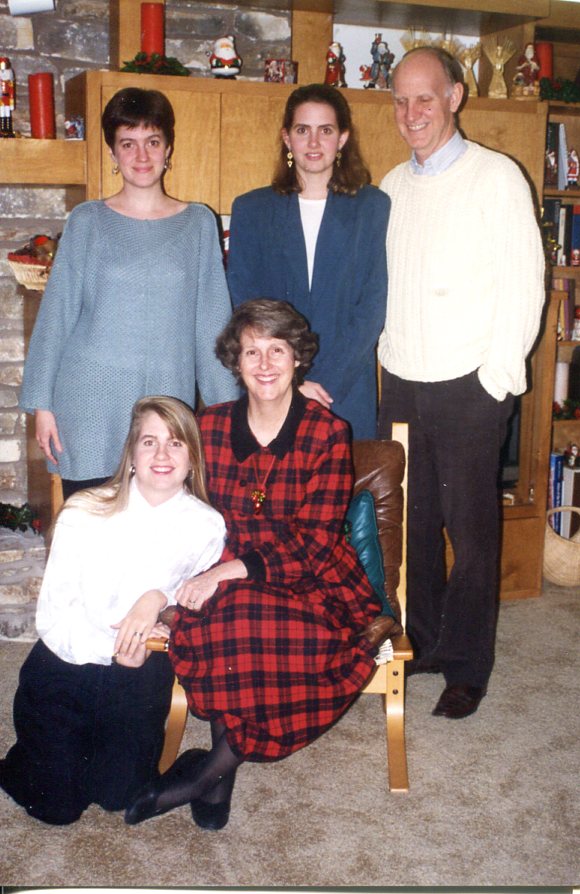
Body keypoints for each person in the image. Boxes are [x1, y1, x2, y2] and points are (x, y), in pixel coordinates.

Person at [124, 299, 398, 830]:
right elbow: (178, 501)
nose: (266, 363)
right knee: (232, 617)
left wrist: (224, 574)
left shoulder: (327, 432)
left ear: (298, 359)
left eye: (278, 350)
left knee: (248, 615)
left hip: (313, 578)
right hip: (224, 567)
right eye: (252, 351)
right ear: (236, 361)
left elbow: (316, 542)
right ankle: (217, 777)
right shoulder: (209, 426)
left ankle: (205, 775)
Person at [377, 47, 545, 719]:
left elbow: (525, 284)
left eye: (425, 97)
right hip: (404, 381)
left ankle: (469, 666)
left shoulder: (496, 177)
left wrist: (497, 379)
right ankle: (423, 641)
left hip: (470, 383)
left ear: (454, 97)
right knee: (412, 525)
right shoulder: (392, 186)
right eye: (401, 100)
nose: (412, 112)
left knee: (472, 536)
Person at [0, 396, 226, 825]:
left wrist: (157, 599)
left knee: (118, 797)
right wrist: (117, 647)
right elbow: (53, 619)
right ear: (132, 455)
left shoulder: (207, 526)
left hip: (139, 677)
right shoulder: (84, 512)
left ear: (192, 458)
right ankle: (27, 760)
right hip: (65, 669)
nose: (162, 454)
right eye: (149, 442)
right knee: (56, 809)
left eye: (176, 443)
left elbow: (196, 604)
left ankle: (185, 763)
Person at [20, 86, 237, 501]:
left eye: (152, 141)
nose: (141, 155)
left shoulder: (197, 223)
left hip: (166, 407)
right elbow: (56, 315)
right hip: (89, 405)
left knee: (160, 528)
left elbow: (212, 324)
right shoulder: (87, 221)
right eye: (128, 143)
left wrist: (228, 411)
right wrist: (42, 405)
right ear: (113, 153)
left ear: (168, 148)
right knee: (93, 525)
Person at [226, 83, 390, 439]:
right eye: (303, 130)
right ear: (287, 138)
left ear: (342, 138)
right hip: (271, 388)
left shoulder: (373, 208)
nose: (314, 142)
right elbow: (248, 308)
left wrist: (323, 383)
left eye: (325, 130)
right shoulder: (252, 210)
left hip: (344, 393)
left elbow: (372, 308)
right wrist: (292, 383)